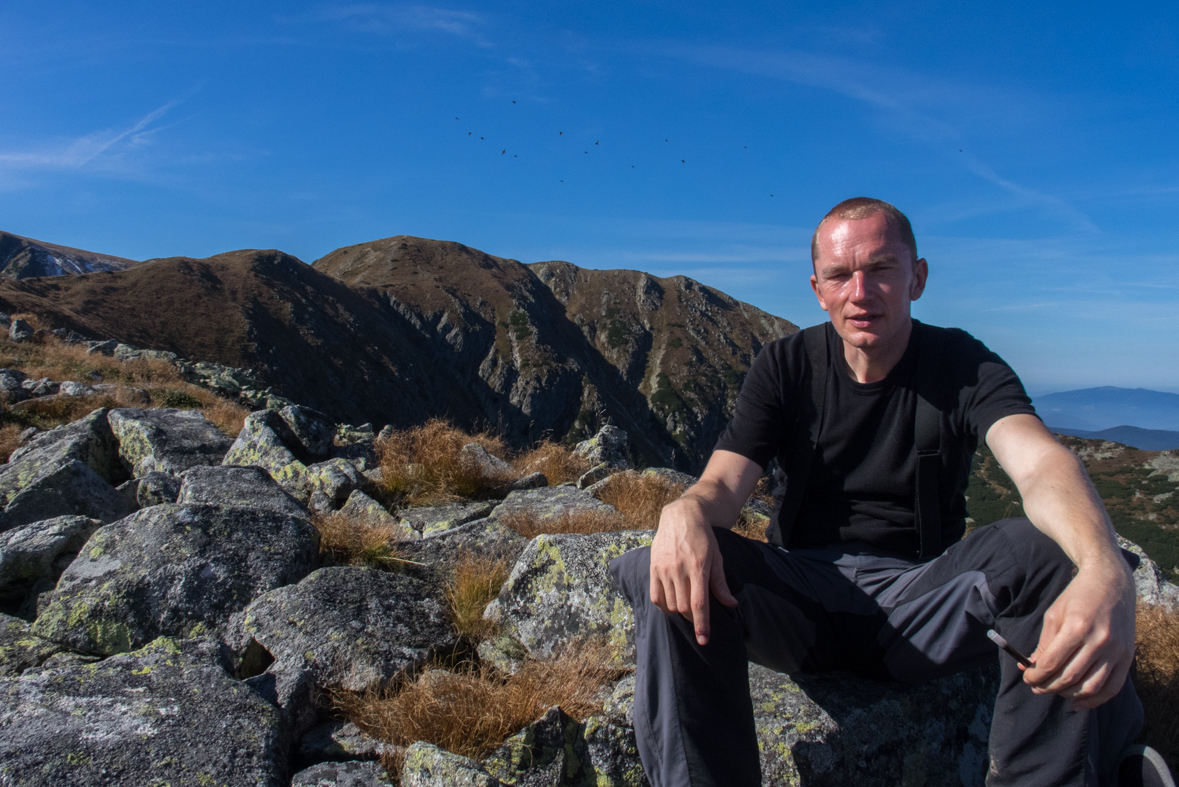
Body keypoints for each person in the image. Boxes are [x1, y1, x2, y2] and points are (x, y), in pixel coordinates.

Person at [609, 198, 1173, 786]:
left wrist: (1107, 568)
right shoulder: (785, 366)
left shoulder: (963, 364)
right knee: (670, 569)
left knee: (1049, 555)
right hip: (802, 597)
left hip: (920, 603)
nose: (860, 291)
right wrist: (687, 511)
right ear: (817, 289)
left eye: (880, 269)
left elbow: (1039, 464)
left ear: (917, 278)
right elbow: (724, 483)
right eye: (839, 275)